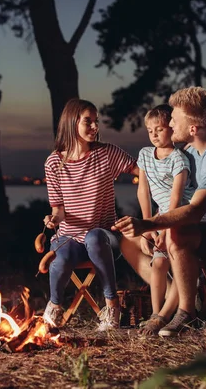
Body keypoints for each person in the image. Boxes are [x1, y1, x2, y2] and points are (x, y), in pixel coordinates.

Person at [113, 86, 206, 337]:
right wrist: (148, 229)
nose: (170, 124)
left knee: (178, 234)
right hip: (203, 228)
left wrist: (149, 224)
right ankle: (167, 307)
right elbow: (168, 195)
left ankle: (186, 313)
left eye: (174, 121)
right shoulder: (187, 153)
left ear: (192, 128)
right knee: (135, 240)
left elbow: (194, 211)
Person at [42, 98, 138, 331]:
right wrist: (53, 219)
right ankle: (54, 309)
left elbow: (141, 173)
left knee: (94, 237)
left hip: (105, 237)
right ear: (72, 122)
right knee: (60, 259)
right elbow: (59, 211)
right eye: (88, 122)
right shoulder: (54, 163)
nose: (95, 127)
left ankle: (112, 307)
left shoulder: (107, 154)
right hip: (71, 238)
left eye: (96, 122)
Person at [136, 104, 194, 334]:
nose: (154, 135)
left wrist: (164, 228)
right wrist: (146, 224)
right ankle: (155, 314)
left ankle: (166, 316)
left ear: (171, 128)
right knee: (158, 264)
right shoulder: (144, 155)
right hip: (160, 217)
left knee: (174, 261)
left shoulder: (179, 159)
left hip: (180, 217)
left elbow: (177, 198)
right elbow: (143, 190)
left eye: (159, 129)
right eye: (150, 130)